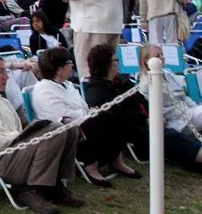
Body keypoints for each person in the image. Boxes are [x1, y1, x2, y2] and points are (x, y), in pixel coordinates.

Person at [0, 55, 84, 213]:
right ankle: (31, 190)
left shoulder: (4, 102)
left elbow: (19, 133)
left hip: (15, 154)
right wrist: (17, 137)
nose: (7, 76)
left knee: (68, 126)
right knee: (54, 129)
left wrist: (23, 135)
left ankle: (55, 185)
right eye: (1, 72)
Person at [32, 47, 140, 187]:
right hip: (63, 131)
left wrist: (87, 112)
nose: (72, 65)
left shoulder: (67, 85)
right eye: (69, 62)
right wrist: (88, 113)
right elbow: (61, 116)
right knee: (101, 120)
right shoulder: (44, 90)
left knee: (117, 115)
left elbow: (82, 106)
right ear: (59, 69)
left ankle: (116, 161)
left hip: (81, 121)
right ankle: (91, 167)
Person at [86, 43, 202, 173]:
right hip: (137, 133)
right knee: (172, 138)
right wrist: (149, 119)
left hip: (149, 124)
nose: (118, 62)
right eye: (115, 60)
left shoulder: (121, 81)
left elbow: (142, 101)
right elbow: (123, 116)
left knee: (175, 138)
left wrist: (152, 117)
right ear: (106, 64)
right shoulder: (98, 91)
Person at [139, 45, 202, 134]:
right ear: (146, 61)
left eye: (162, 54)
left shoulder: (168, 74)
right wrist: (187, 112)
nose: (162, 57)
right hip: (177, 121)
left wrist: (194, 108)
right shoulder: (145, 84)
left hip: (189, 113)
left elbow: (184, 96)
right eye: (157, 56)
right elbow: (160, 110)